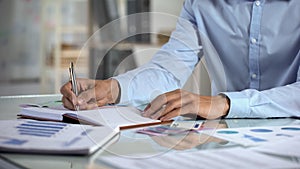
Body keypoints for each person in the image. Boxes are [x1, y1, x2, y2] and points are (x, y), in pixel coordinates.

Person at [61, 0, 300, 121]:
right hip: (227, 141)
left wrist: (224, 103)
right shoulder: (200, 4)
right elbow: (168, 70)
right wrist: (112, 89)